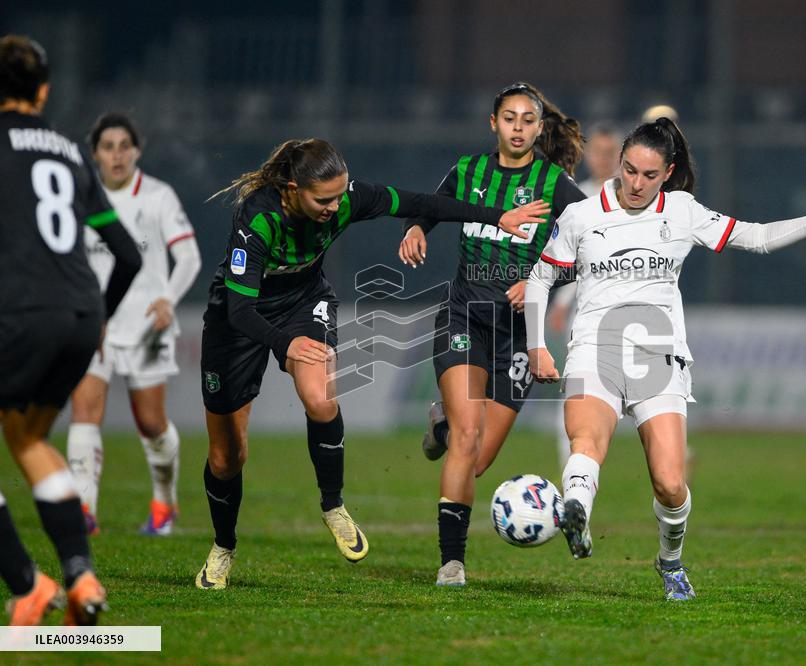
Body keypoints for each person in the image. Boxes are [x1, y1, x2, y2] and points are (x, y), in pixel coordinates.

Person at [524, 117, 806, 600]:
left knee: (669, 482)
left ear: (667, 174)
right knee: (587, 440)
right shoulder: (584, 214)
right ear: (619, 163)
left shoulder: (682, 211)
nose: (636, 183)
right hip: (593, 350)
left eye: (648, 174)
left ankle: (670, 561)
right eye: (629, 170)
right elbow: (540, 279)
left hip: (658, 357)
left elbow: (755, 237)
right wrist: (537, 344)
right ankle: (576, 513)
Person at [196, 137, 549, 590]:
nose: (333, 206)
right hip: (239, 318)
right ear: (292, 188)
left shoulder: (346, 199)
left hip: (303, 303)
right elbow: (240, 311)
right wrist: (285, 344)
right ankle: (224, 546)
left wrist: (496, 217)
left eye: (340, 196)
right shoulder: (259, 218)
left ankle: (333, 505)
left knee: (321, 399)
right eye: (322, 199)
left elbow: (421, 201)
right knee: (228, 457)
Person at [398, 82, 585, 586]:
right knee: (468, 436)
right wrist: (416, 228)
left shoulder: (557, 185)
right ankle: (451, 563)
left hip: (519, 338)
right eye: (509, 118)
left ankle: (439, 426)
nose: (518, 128)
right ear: (493, 123)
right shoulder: (468, 172)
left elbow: (590, 250)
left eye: (528, 120)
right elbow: (432, 206)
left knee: (476, 459)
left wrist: (541, 277)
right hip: (465, 319)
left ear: (540, 128)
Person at [0, 35, 142, 624]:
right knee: (28, 439)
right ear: (44, 91)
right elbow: (128, 256)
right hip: (81, 316)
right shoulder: (68, 151)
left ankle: (27, 583)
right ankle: (82, 578)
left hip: (23, 314)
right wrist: (100, 318)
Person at [67, 112, 202, 537]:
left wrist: (168, 299)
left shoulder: (158, 196)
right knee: (85, 410)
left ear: (137, 150)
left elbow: (190, 257)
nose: (117, 155)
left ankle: (165, 501)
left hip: (146, 326)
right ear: (95, 154)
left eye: (125, 145)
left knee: (150, 423)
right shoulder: (79, 199)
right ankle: (83, 511)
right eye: (108, 147)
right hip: (96, 322)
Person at [548, 122, 622, 466]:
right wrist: (562, 301)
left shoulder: (634, 196)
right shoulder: (577, 197)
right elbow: (570, 255)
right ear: (587, 156)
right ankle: (572, 475)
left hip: (632, 309)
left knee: (645, 394)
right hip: (588, 310)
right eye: (598, 152)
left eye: (611, 152)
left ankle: (675, 457)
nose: (604, 158)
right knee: (579, 391)